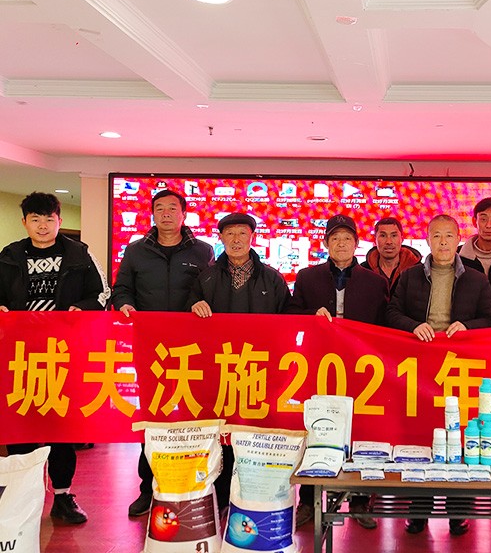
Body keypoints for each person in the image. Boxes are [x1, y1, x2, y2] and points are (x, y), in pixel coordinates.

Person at [0, 192, 110, 524]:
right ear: (24, 222)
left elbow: (102, 294)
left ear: (59, 221)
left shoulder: (80, 254)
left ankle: (62, 497)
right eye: (35, 219)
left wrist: (83, 308)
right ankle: (23, 494)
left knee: (62, 426)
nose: (43, 225)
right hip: (19, 355)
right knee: (21, 425)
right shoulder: (9, 256)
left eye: (49, 219)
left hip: (65, 354)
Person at [386, 214, 491, 535]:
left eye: (449, 235)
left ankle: (458, 509)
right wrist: (412, 325)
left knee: (458, 433)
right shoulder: (410, 277)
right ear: (428, 240)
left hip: (459, 367)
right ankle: (418, 508)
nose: (443, 242)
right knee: (421, 435)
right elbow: (391, 312)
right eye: (437, 236)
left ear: (458, 239)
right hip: (419, 366)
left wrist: (468, 327)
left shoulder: (475, 278)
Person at [111, 189, 215, 518]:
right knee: (152, 416)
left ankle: (196, 484)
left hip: (193, 348)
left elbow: (209, 290)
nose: (166, 213)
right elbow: (121, 288)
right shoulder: (136, 251)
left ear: (184, 214)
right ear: (152, 214)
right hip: (150, 346)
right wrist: (124, 304)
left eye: (173, 208)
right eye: (160, 208)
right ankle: (148, 487)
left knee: (195, 414)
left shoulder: (203, 251)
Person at [287, 214, 389, 529]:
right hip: (318, 365)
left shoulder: (375, 282)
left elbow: (385, 325)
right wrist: (310, 314)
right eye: (335, 239)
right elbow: (290, 313)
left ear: (356, 244)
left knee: (361, 428)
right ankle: (308, 499)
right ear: (326, 244)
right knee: (316, 426)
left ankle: (359, 500)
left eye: (347, 239)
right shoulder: (307, 277)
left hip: (362, 367)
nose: (341, 244)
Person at [188, 212, 290, 514]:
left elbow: (289, 318)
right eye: (229, 234)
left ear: (252, 238)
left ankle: (257, 494)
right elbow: (186, 318)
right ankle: (220, 498)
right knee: (222, 434)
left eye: (242, 233)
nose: (236, 240)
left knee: (255, 432)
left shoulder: (272, 278)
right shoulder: (205, 278)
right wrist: (193, 305)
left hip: (260, 370)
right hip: (218, 370)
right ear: (221, 238)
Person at [360, 217, 421, 295]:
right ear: (375, 239)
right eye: (383, 235)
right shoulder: (363, 271)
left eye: (394, 235)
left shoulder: (418, 271)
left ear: (402, 239)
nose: (389, 242)